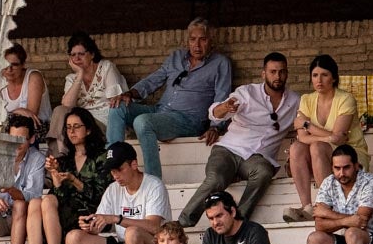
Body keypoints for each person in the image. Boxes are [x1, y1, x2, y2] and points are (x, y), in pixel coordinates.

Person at [179, 52, 299, 227]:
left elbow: (304, 123)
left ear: (287, 73)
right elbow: (214, 113)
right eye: (273, 72)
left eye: (282, 72)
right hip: (228, 150)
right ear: (263, 74)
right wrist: (225, 107)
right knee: (216, 180)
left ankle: (238, 222)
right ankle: (182, 223)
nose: (277, 76)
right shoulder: (247, 92)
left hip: (257, 159)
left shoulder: (295, 101)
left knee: (264, 173)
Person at [106, 18, 232, 179]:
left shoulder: (220, 63)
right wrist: (129, 94)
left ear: (211, 41)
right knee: (117, 107)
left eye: (203, 39)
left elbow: (222, 95)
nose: (197, 45)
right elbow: (153, 80)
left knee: (143, 122)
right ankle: (114, 165)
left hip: (188, 120)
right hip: (161, 111)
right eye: (193, 39)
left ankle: (153, 181)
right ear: (187, 41)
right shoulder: (176, 57)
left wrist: (216, 126)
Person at [286, 54, 371, 222]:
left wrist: (308, 125)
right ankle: (308, 207)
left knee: (316, 146)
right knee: (296, 147)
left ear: (333, 78)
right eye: (315, 75)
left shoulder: (345, 99)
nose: (319, 80)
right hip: (322, 152)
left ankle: (327, 206)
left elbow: (340, 140)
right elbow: (303, 138)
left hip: (350, 154)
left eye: (324, 75)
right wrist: (330, 137)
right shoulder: (306, 99)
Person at [31, 107, 111, 244]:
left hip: (92, 212)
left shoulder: (101, 157)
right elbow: (58, 196)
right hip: (67, 211)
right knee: (42, 201)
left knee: (47, 202)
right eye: (68, 127)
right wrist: (55, 176)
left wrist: (74, 180)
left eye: (76, 126)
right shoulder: (64, 160)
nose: (71, 131)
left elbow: (100, 194)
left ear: (88, 129)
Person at [48, 31, 128, 141]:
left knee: (77, 126)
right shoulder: (71, 78)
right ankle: (58, 154)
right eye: (73, 55)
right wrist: (80, 75)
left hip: (105, 124)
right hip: (79, 125)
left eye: (81, 54)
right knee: (59, 110)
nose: (77, 58)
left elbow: (115, 100)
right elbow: (67, 105)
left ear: (92, 54)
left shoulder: (106, 68)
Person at [0, 114, 46, 244]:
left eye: (22, 139)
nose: (17, 143)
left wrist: (12, 191)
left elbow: (34, 195)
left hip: (22, 218)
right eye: (13, 138)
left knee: (20, 204)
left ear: (32, 139)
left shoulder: (37, 159)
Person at [0, 42, 52, 129]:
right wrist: (18, 111)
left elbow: (30, 115)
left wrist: (8, 114)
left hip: (37, 129)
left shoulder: (33, 77)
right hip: (9, 130)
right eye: (5, 65)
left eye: (14, 65)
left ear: (23, 64)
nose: (9, 69)